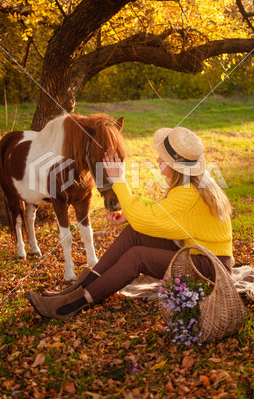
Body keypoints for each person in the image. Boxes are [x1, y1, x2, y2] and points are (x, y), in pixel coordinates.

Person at [27, 126, 233, 321]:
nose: (158, 159)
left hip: (210, 269)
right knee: (134, 233)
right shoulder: (194, 184)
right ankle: (78, 288)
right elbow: (162, 212)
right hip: (198, 254)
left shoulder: (187, 194)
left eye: (164, 157)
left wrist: (120, 180)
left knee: (137, 257)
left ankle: (75, 303)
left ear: (174, 166)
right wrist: (129, 214)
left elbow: (147, 219)